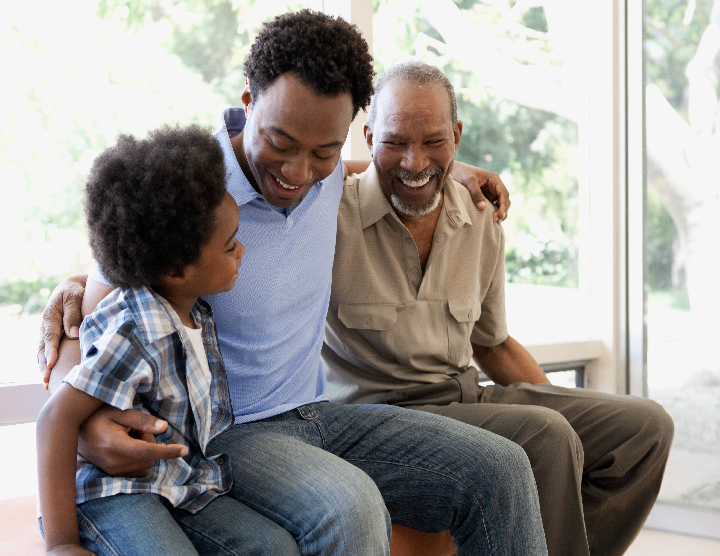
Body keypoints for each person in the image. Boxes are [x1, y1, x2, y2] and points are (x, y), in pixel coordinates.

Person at [37, 10, 548, 556]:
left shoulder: (329, 174)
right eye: (280, 142)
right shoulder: (191, 190)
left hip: (319, 412)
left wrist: (458, 170)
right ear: (248, 103)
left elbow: (378, 166)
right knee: (348, 507)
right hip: (232, 434)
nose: (299, 173)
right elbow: (92, 318)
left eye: (323, 151)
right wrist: (86, 431)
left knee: (502, 468)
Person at [322, 60, 675, 556]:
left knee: (645, 428)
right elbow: (280, 172)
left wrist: (564, 419)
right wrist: (456, 168)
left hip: (462, 401)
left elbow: (493, 344)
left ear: (458, 136)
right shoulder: (331, 213)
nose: (415, 162)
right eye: (395, 141)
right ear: (368, 135)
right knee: (547, 436)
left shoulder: (480, 219)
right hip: (373, 417)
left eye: (434, 142)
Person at [36, 124, 302, 556]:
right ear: (177, 269)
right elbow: (55, 420)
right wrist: (61, 543)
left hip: (173, 482)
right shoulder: (136, 328)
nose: (242, 253)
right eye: (230, 245)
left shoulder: (195, 308)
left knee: (273, 547)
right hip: (109, 494)